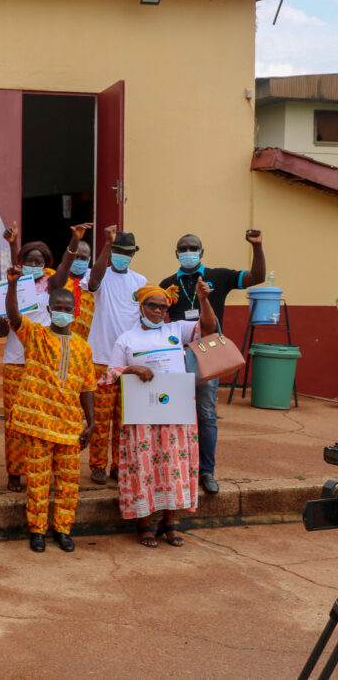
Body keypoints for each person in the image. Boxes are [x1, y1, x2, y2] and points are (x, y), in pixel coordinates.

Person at [104, 283, 218, 548]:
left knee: (172, 468)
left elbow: (210, 328)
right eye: (152, 305)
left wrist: (203, 300)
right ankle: (144, 523)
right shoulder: (127, 338)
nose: (157, 311)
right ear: (141, 307)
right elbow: (110, 374)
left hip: (175, 413)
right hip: (142, 414)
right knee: (144, 467)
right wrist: (132, 369)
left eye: (162, 307)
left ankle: (170, 522)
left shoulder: (176, 329)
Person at [159, 230, 266, 495]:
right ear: (176, 254)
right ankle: (180, 467)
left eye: (193, 247)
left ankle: (207, 472)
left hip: (208, 354)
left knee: (206, 415)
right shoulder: (167, 283)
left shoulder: (218, 276)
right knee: (175, 415)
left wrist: (258, 247)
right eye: (183, 248)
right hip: (177, 355)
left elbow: (257, 277)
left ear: (202, 252)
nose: (188, 252)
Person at [4, 268, 95, 553]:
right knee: (39, 480)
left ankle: (63, 529)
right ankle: (37, 530)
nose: (62, 312)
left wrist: (90, 423)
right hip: (39, 424)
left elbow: (87, 387)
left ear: (75, 311)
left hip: (69, 425)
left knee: (69, 483)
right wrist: (11, 286)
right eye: (58, 307)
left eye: (68, 308)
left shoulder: (83, 347)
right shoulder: (35, 335)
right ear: (49, 308)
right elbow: (14, 316)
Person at [85, 226, 147, 486]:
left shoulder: (140, 282)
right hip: (101, 357)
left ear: (133, 254)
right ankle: (97, 465)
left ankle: (118, 464)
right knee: (99, 419)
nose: (122, 255)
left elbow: (146, 315)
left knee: (124, 419)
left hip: (130, 362)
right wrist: (106, 246)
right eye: (118, 250)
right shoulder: (100, 274)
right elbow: (92, 283)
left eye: (126, 252)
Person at [0, 227, 58, 493]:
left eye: (40, 262)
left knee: (41, 418)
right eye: (29, 261)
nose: (34, 265)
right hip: (15, 359)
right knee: (13, 420)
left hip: (42, 361)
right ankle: (14, 471)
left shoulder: (52, 285)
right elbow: (2, 330)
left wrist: (75, 242)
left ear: (46, 265)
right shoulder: (12, 285)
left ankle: (40, 468)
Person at [49, 223, 96, 341]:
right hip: (58, 340)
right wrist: (75, 239)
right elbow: (65, 265)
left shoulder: (93, 283)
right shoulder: (59, 280)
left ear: (89, 260)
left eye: (83, 258)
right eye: (76, 257)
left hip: (88, 343)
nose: (79, 260)